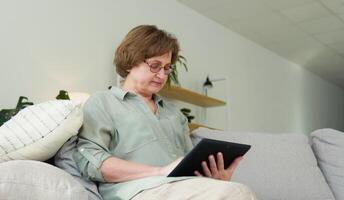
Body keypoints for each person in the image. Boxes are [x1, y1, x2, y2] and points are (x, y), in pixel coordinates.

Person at [74, 25, 256, 200]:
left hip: (183, 189)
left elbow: (188, 166)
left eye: (167, 68)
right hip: (138, 191)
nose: (162, 75)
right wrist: (159, 172)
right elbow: (91, 161)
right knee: (239, 193)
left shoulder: (175, 114)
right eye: (155, 65)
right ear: (130, 63)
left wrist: (215, 181)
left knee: (232, 191)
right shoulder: (103, 102)